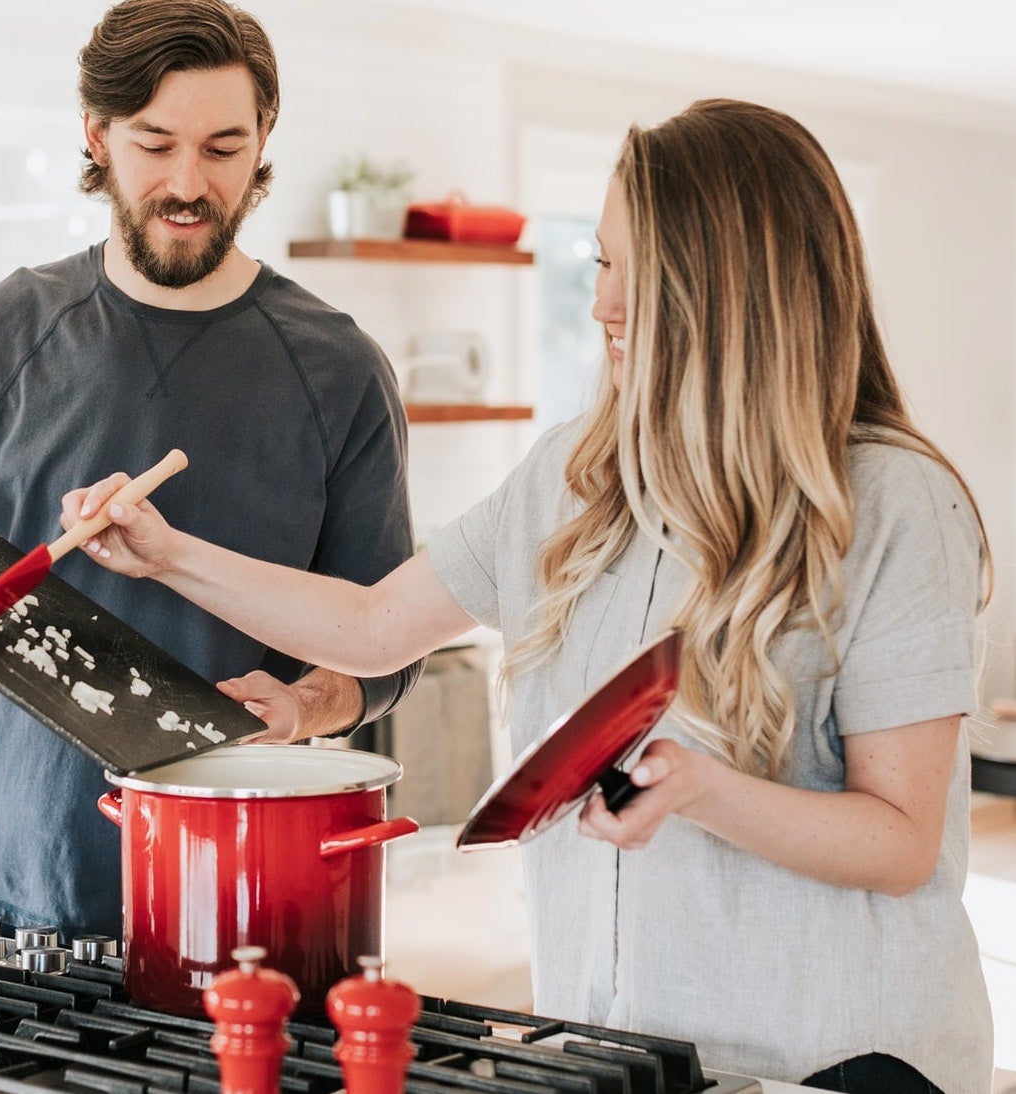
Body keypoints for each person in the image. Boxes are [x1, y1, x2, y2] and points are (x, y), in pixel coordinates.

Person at [61, 99, 993, 1093]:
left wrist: (706, 790)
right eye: (600, 261)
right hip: (614, 1055)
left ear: (737, 289)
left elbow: (899, 840)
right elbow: (375, 625)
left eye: (642, 270)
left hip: (836, 1062)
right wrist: (166, 554)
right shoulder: (571, 478)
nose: (603, 304)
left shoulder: (895, 503)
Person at [0, 0, 422, 940]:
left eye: (222, 148)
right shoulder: (0, 330)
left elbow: (387, 652)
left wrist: (306, 704)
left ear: (263, 140)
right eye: (154, 142)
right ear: (96, 134)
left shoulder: (339, 370)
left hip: (234, 898)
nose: (188, 182)